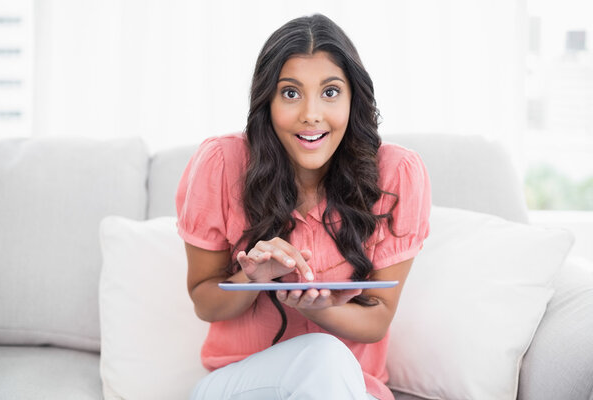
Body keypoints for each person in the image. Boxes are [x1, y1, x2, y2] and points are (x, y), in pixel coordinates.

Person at [176, 13, 431, 400]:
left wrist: (317, 308)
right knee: (325, 355)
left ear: (353, 98)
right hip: (243, 386)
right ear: (268, 101)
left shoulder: (396, 174)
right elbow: (205, 302)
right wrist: (255, 278)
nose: (311, 114)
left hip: (349, 388)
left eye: (330, 92)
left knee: (328, 359)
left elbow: (377, 318)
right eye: (291, 93)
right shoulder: (222, 163)